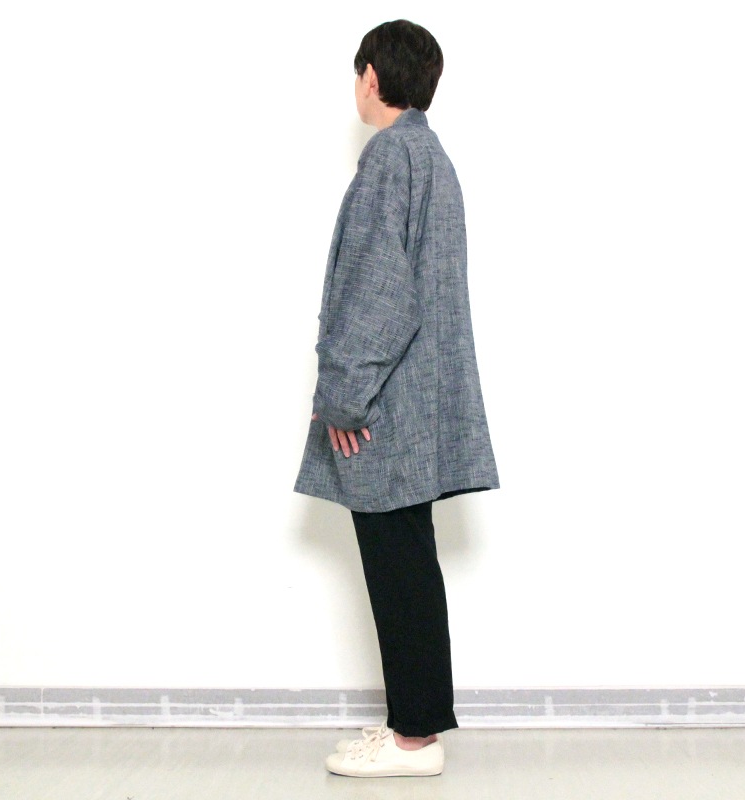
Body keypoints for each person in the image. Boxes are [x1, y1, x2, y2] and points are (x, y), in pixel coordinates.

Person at [294, 19, 499, 778]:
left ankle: (414, 739)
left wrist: (343, 397)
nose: (357, 87)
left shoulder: (391, 157)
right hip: (417, 398)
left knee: (399, 568)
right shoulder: (431, 156)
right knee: (409, 563)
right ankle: (413, 726)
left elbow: (380, 292)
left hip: (385, 406)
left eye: (358, 74)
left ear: (373, 77)